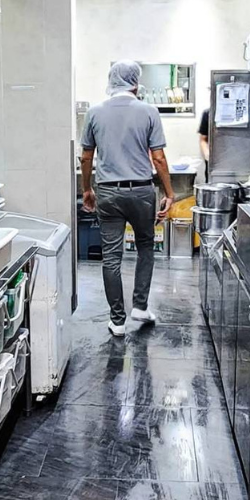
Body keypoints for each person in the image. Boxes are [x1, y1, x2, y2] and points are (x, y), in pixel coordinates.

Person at [80, 60, 175, 335]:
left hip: (108, 192)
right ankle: (140, 306)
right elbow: (158, 158)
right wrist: (169, 193)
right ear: (136, 82)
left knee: (111, 256)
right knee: (145, 247)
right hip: (142, 192)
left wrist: (87, 189)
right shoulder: (149, 111)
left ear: (111, 80)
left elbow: (86, 156)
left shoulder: (94, 112)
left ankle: (118, 321)